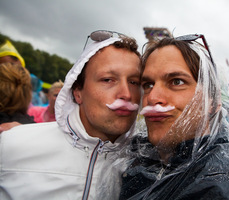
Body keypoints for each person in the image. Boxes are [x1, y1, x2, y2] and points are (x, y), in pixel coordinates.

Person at [118, 35, 229, 199]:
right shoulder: (129, 166)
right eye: (148, 84)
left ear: (214, 101)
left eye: (177, 81)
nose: (152, 97)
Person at [0, 30, 141, 200]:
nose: (126, 94)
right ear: (77, 93)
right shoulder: (12, 145)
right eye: (108, 79)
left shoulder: (144, 165)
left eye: (134, 82)